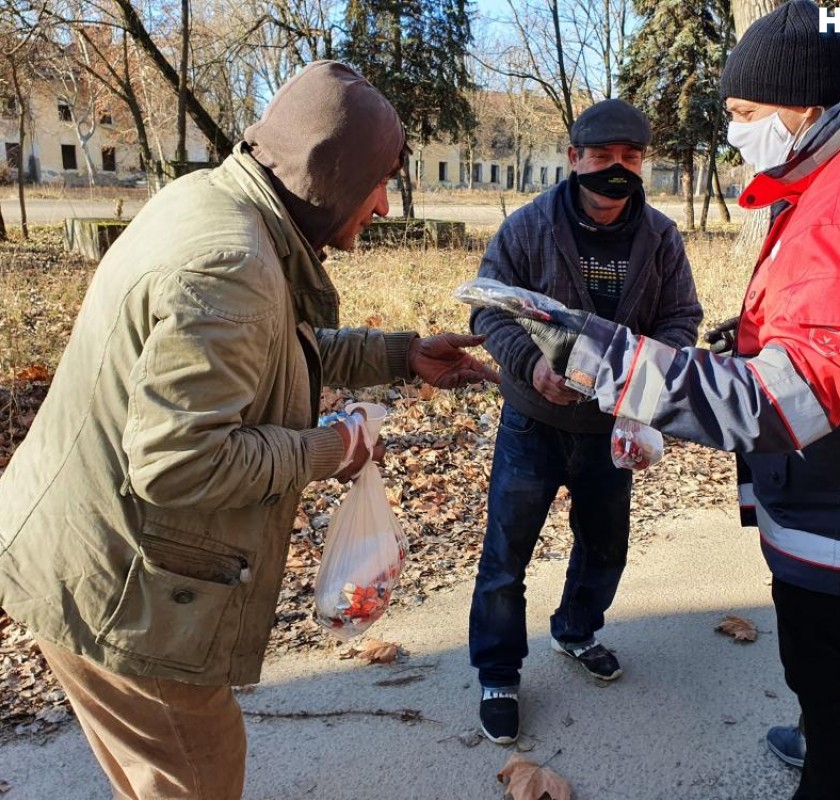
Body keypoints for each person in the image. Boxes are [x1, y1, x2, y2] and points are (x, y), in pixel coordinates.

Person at [514, 2, 840, 797]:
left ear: (801, 103)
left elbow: (791, 397)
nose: (735, 133)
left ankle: (831, 768)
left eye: (743, 114)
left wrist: (619, 369)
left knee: (832, 674)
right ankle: (819, 738)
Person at [0, 61, 498, 800]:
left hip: (90, 551)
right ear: (333, 177)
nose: (386, 205)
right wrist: (335, 447)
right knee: (199, 777)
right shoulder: (229, 263)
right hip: (121, 590)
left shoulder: (225, 208)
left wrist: (399, 355)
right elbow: (179, 461)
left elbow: (276, 346)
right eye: (379, 180)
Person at [468, 98, 703, 745]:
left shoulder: (659, 237)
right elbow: (487, 311)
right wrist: (528, 367)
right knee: (506, 555)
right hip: (533, 423)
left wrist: (644, 379)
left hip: (610, 431)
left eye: (631, 159)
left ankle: (575, 630)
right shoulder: (529, 228)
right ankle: (497, 672)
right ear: (574, 160)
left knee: (605, 546)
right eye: (603, 158)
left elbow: (682, 316)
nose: (617, 171)